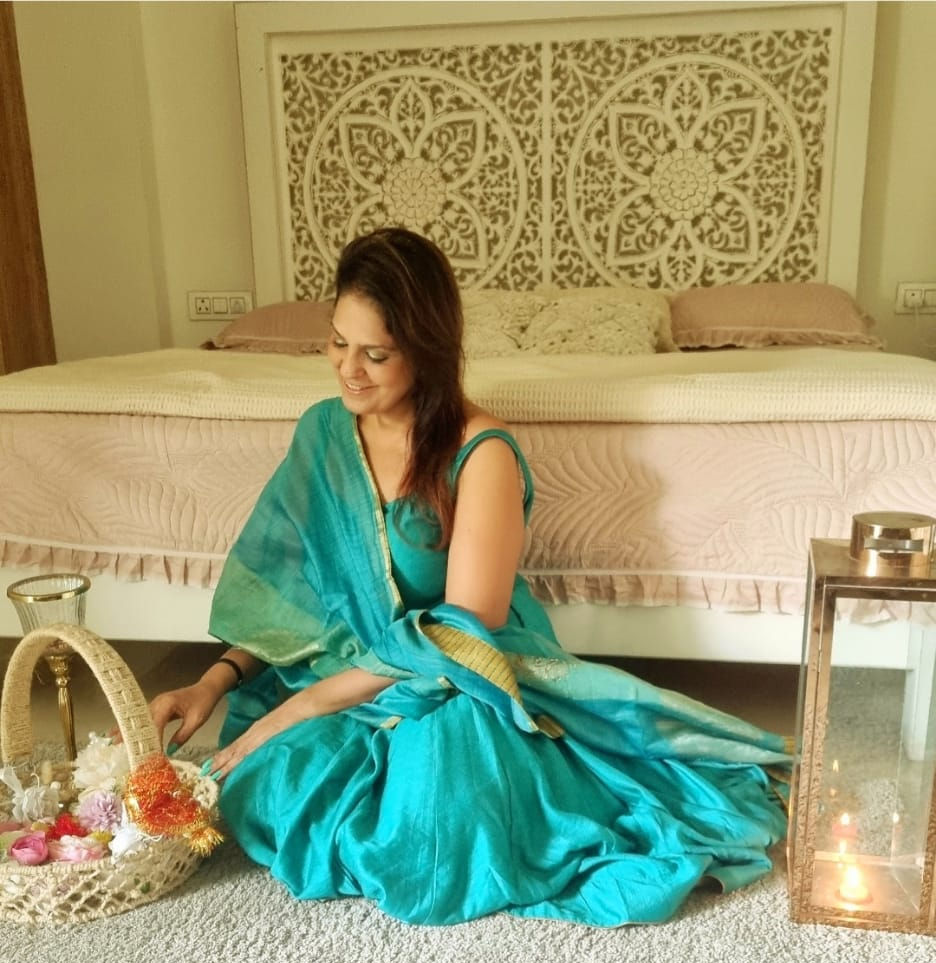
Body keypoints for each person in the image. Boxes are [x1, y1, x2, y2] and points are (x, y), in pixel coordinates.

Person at [150, 227, 790, 927]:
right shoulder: (324, 433)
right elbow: (291, 605)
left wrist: (301, 708)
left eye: (376, 354)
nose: (348, 370)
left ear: (427, 351)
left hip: (463, 674)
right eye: (337, 342)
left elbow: (465, 629)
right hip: (340, 671)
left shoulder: (481, 453)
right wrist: (212, 682)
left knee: (433, 832)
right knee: (268, 787)